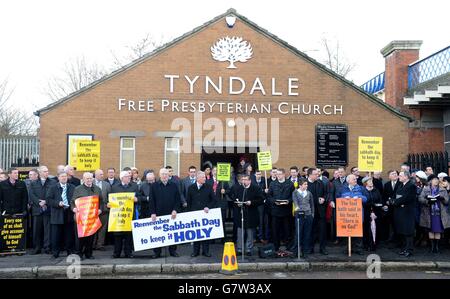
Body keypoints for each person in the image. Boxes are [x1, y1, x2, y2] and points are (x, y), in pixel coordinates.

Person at [150, 168, 181, 258]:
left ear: (169, 175)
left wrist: (175, 210)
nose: (164, 176)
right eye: (163, 174)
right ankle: (157, 252)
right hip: (158, 214)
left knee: (172, 233)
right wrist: (153, 213)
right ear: (159, 175)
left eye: (166, 174)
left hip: (171, 214)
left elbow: (177, 200)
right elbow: (151, 201)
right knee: (158, 234)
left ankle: (172, 251)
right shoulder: (154, 186)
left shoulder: (174, 185)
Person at [71, 172, 103, 260]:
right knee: (80, 237)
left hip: (92, 218)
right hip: (81, 217)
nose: (89, 180)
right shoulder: (78, 189)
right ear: (83, 179)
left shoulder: (97, 189)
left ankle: (89, 253)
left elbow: (101, 201)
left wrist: (100, 209)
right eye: (87, 178)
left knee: (91, 236)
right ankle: (79, 254)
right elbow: (73, 201)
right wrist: (73, 209)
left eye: (90, 178)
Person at [232, 174, 264, 256]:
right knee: (240, 232)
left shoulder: (255, 188)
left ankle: (249, 249)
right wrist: (237, 203)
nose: (244, 181)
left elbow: (261, 199)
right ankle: (239, 249)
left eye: (245, 179)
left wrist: (251, 202)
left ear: (249, 180)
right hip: (241, 213)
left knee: (250, 232)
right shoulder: (239, 188)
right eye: (242, 179)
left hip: (251, 213)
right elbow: (234, 197)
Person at [110, 171, 139, 258]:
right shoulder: (115, 188)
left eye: (129, 176)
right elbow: (110, 199)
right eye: (127, 176)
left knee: (128, 235)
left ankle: (128, 253)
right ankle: (116, 253)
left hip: (129, 214)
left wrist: (137, 199)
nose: (129, 177)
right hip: (118, 216)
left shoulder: (134, 186)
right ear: (122, 178)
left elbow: (140, 197)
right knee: (118, 235)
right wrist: (109, 204)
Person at [187, 171, 216, 257]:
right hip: (194, 214)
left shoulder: (208, 187)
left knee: (205, 233)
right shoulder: (191, 187)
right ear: (198, 178)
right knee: (196, 233)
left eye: (204, 177)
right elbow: (189, 201)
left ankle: (205, 251)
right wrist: (189, 214)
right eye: (203, 177)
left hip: (205, 214)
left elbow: (214, 200)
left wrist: (208, 207)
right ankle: (195, 251)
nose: (205, 179)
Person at [419, 175, 450, 253]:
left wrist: (442, 198)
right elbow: (420, 198)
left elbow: (447, 202)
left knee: (438, 230)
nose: (436, 181)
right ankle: (432, 247)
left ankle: (436, 247)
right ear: (430, 181)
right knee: (431, 229)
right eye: (434, 179)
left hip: (439, 213)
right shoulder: (426, 189)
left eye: (437, 179)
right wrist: (428, 201)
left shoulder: (443, 190)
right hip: (429, 213)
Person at [47, 172, 75, 258]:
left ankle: (69, 251)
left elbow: (75, 199)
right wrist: (57, 203)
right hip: (57, 213)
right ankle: (55, 252)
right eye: (62, 176)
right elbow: (48, 200)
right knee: (56, 235)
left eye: (65, 176)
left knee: (69, 234)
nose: (64, 178)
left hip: (69, 213)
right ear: (58, 178)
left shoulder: (72, 187)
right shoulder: (53, 188)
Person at [337, 174, 368, 255]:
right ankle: (347, 248)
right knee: (347, 232)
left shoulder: (361, 188)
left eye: (355, 179)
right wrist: (344, 198)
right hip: (346, 215)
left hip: (357, 215)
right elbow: (338, 198)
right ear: (348, 181)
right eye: (354, 179)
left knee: (358, 232)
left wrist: (358, 197)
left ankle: (359, 249)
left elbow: (366, 198)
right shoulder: (342, 188)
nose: (356, 180)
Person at [29, 166, 55, 254]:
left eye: (47, 171)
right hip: (37, 209)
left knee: (48, 230)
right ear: (39, 173)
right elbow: (31, 195)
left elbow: (54, 195)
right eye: (45, 171)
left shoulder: (53, 182)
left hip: (48, 209)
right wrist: (38, 202)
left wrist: (46, 202)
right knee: (37, 230)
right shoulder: (33, 183)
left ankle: (47, 247)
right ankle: (37, 247)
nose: (47, 173)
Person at [267, 168, 294, 252]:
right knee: (275, 230)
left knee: (287, 230)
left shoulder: (289, 183)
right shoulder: (272, 184)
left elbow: (293, 196)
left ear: (283, 174)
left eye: (279, 174)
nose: (277, 176)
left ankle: (288, 246)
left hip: (286, 211)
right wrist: (274, 201)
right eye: (276, 174)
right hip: (276, 210)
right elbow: (269, 196)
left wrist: (288, 201)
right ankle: (276, 246)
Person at [392, 171, 417, 257]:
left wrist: (395, 202)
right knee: (402, 231)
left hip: (407, 212)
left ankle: (409, 250)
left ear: (406, 177)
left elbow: (406, 198)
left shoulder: (411, 186)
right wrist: (395, 201)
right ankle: (404, 249)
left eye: (400, 175)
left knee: (408, 232)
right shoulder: (400, 185)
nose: (399, 177)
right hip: (400, 212)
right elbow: (397, 196)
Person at [290, 178, 314, 258]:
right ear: (300, 185)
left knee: (307, 234)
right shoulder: (295, 192)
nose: (306, 186)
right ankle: (296, 252)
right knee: (298, 234)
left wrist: (312, 214)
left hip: (308, 214)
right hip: (299, 215)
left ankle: (305, 252)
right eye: (305, 184)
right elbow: (295, 202)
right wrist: (297, 209)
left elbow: (312, 204)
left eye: (306, 184)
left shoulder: (309, 193)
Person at [307, 168, 328, 255]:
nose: (317, 175)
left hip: (320, 211)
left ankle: (322, 248)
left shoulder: (320, 183)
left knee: (322, 231)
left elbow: (326, 194)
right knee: (310, 231)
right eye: (315, 174)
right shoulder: (305, 184)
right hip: (310, 212)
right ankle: (310, 248)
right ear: (310, 175)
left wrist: (323, 198)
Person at [93, 169, 111, 251]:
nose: (102, 176)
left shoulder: (106, 185)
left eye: (102, 174)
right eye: (100, 174)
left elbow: (109, 196)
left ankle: (100, 244)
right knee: (93, 227)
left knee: (102, 228)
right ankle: (92, 244)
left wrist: (109, 203)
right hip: (93, 209)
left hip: (104, 209)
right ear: (96, 175)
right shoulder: (91, 183)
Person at [363, 177, 383, 251]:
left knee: (375, 228)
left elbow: (380, 200)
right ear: (365, 183)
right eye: (369, 181)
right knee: (367, 229)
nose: (371, 182)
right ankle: (367, 244)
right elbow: (363, 202)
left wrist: (376, 209)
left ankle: (374, 244)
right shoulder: (363, 191)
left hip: (376, 212)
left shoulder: (376, 190)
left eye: (371, 181)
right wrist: (371, 208)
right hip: (366, 212)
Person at [381, 170, 401, 242]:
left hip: (398, 207)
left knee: (398, 223)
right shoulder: (387, 184)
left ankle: (398, 239)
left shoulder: (401, 183)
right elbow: (384, 196)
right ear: (389, 176)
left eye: (396, 173)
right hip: (389, 208)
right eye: (393, 174)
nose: (395, 175)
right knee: (391, 223)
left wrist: (392, 200)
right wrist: (385, 204)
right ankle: (391, 238)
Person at [255, 170, 269, 244]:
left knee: (263, 221)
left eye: (260, 174)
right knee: (256, 221)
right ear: (255, 175)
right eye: (257, 174)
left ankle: (263, 237)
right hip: (255, 204)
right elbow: (255, 191)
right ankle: (256, 237)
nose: (259, 175)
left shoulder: (265, 180)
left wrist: (265, 191)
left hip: (263, 204)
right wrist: (263, 190)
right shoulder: (253, 181)